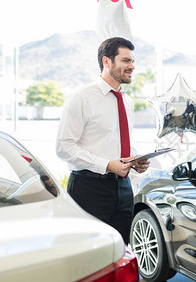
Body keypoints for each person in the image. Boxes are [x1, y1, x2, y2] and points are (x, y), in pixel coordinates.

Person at [56, 37, 149, 244]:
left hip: (123, 188)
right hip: (89, 188)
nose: (132, 67)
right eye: (126, 61)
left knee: (120, 251)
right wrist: (107, 165)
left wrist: (135, 159)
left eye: (133, 61)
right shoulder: (81, 97)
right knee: (89, 255)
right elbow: (64, 146)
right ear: (107, 62)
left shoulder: (127, 101)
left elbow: (115, 141)